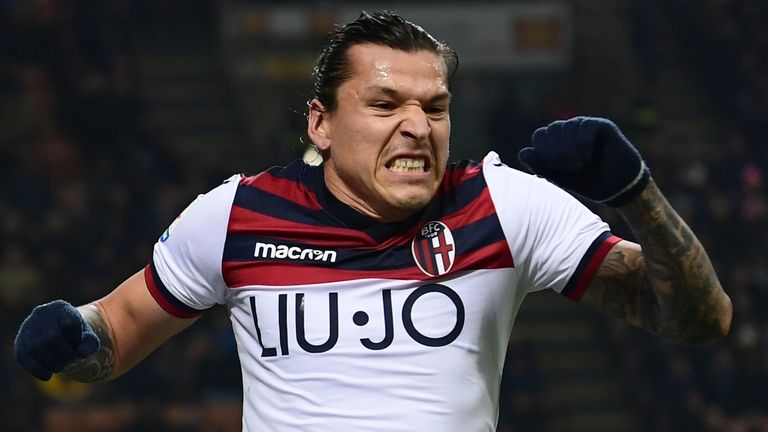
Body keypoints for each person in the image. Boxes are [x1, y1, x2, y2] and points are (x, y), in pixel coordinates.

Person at [14, 10, 731, 432]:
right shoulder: (239, 214)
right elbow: (118, 330)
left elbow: (697, 319)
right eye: (387, 106)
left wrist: (635, 192)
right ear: (321, 124)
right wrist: (74, 332)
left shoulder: (503, 204)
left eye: (436, 107)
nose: (418, 126)